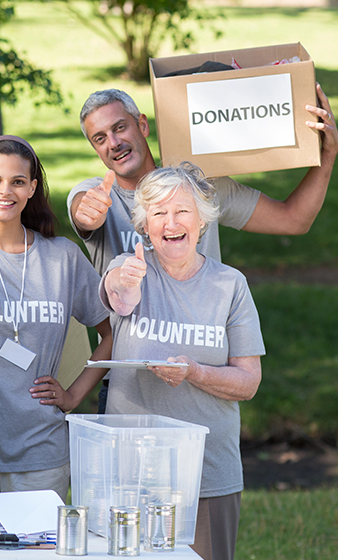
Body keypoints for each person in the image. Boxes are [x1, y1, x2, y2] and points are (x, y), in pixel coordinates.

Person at [68, 87, 338, 412]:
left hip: (206, 376)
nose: (113, 143)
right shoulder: (96, 195)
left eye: (119, 127)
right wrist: (87, 212)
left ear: (142, 124)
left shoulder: (201, 188)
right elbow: (82, 211)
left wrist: (327, 156)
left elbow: (294, 219)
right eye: (99, 138)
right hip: (129, 386)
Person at [0, 135, 113, 506]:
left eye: (17, 181)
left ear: (32, 188)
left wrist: (74, 395)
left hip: (40, 454)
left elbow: (113, 332)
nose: (4, 191)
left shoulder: (63, 259)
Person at [101, 163, 265, 560]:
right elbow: (118, 295)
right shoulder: (128, 268)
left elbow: (248, 381)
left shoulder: (230, 285)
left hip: (209, 474)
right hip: (131, 473)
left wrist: (195, 372)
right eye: (158, 213)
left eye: (181, 211)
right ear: (144, 224)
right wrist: (125, 282)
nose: (170, 222)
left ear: (202, 219)